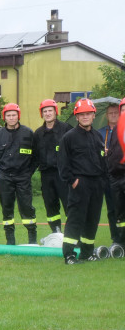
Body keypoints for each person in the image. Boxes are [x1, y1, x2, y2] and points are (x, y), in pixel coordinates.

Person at [57, 98, 106, 264]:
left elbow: (102, 161)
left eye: (88, 114)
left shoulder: (98, 136)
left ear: (94, 115)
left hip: (97, 184)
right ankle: (69, 255)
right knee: (76, 219)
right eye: (81, 114)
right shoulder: (68, 138)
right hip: (80, 184)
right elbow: (63, 164)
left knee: (93, 219)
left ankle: (87, 252)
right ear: (76, 117)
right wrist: (73, 181)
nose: (85, 117)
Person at [0, 102, 38, 245]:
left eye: (14, 115)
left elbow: (36, 156)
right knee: (7, 209)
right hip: (5, 178)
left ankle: (32, 240)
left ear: (18, 116)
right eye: (8, 115)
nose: (11, 118)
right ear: (4, 117)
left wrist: (29, 173)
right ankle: (10, 241)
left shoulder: (28, 133)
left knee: (27, 207)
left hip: (23, 177)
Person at [32, 99, 71, 233]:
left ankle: (73, 235)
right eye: (45, 111)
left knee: (69, 205)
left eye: (50, 111)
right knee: (50, 206)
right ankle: (56, 233)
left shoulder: (66, 129)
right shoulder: (37, 134)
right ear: (41, 114)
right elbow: (34, 156)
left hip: (63, 175)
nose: (48, 113)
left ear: (56, 112)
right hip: (46, 176)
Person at [97, 99, 122, 245]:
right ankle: (115, 238)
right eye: (110, 113)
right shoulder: (100, 132)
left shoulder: (123, 130)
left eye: (115, 113)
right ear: (106, 115)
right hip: (106, 176)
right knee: (112, 209)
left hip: (121, 173)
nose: (113, 115)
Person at [106, 99, 125, 245]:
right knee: (116, 210)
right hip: (112, 175)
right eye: (122, 109)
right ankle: (118, 239)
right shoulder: (113, 131)